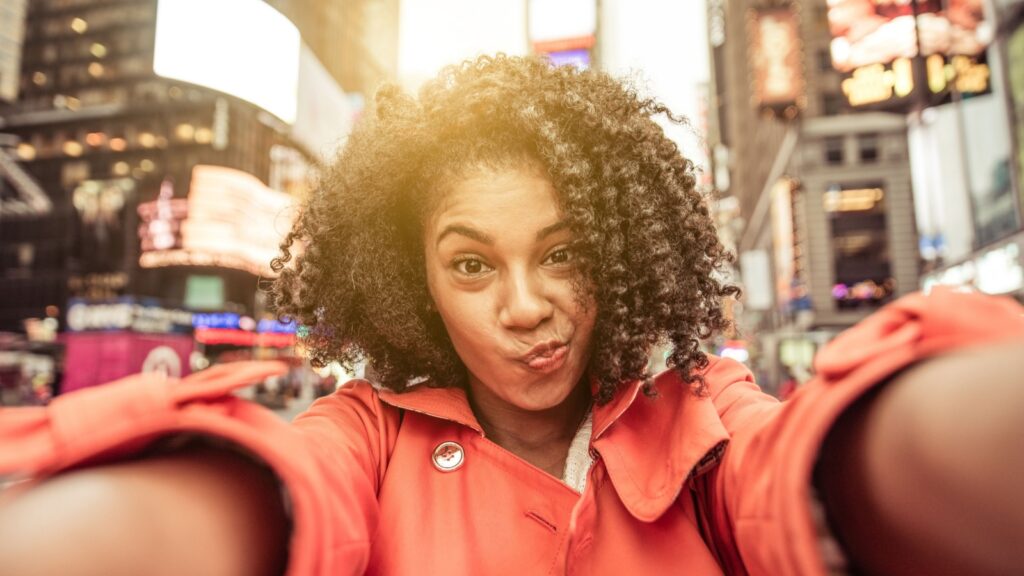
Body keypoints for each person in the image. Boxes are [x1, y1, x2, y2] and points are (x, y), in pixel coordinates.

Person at [1, 55, 1024, 576]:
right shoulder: (363, 436)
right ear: (414, 280)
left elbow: (803, 469)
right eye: (471, 264)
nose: (527, 306)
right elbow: (272, 498)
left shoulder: (701, 410)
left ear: (620, 251)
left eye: (564, 251)